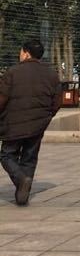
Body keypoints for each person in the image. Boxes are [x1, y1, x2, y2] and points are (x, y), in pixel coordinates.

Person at [0, 39, 62, 206]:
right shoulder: (51, 74)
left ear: (26, 53)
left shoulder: (12, 72)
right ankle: (22, 195)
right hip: (38, 124)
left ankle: (21, 179)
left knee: (7, 155)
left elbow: (2, 98)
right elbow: (57, 101)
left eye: (21, 51)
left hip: (13, 124)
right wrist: (46, 116)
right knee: (29, 157)